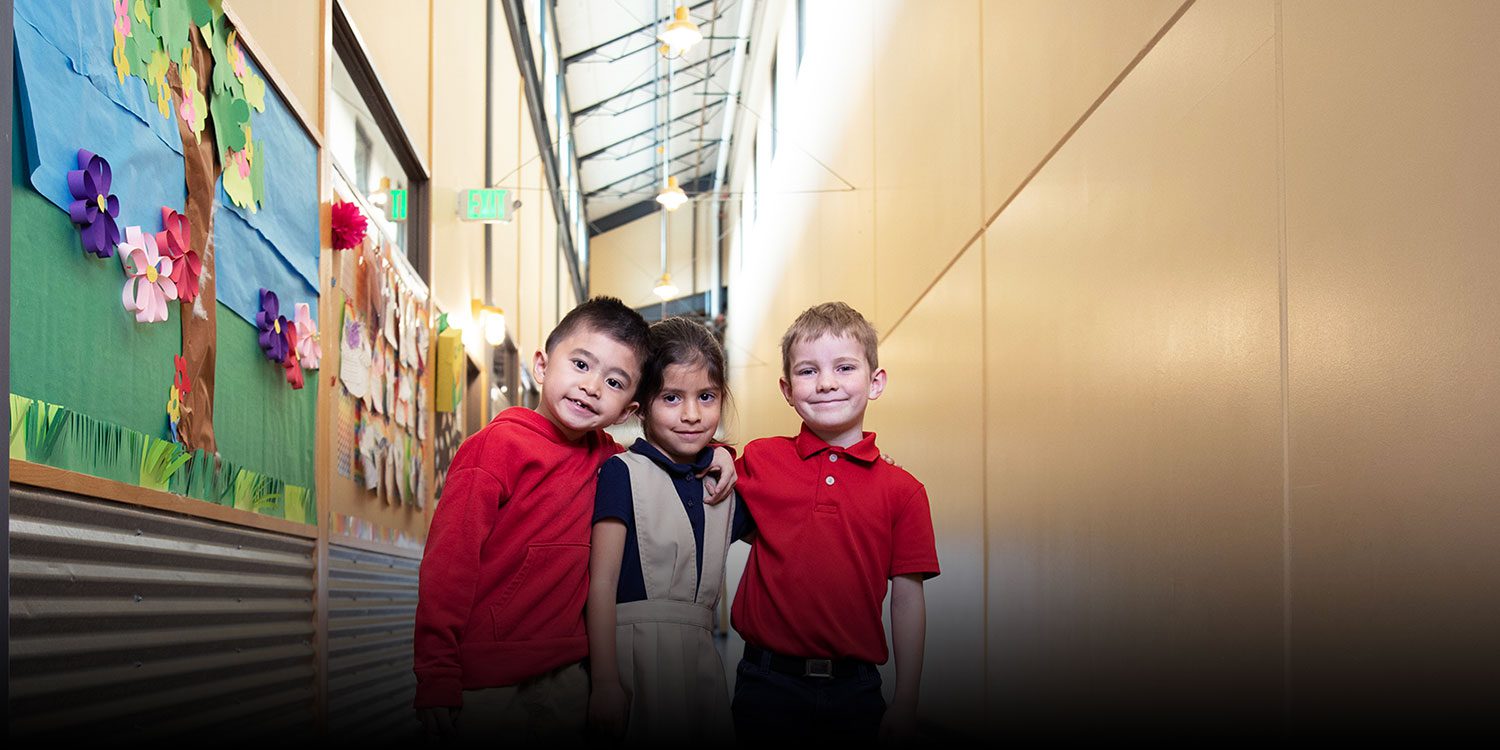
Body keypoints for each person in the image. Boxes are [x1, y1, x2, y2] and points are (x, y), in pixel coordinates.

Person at [412, 297, 737, 742]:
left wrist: (720, 451)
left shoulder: (609, 459)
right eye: (581, 364)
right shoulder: (495, 448)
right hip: (488, 677)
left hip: (570, 674)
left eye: (614, 381)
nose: (591, 387)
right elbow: (447, 569)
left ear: (627, 411)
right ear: (542, 364)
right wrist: (436, 674)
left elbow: (668, 459)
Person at [730, 302, 940, 744]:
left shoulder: (904, 490)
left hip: (856, 690)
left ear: (875, 381)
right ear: (787, 389)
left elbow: (907, 601)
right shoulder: (761, 459)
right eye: (808, 371)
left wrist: (907, 700)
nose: (826, 383)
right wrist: (715, 451)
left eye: (844, 367)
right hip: (767, 683)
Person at [586, 317, 754, 745]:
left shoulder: (723, 483)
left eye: (707, 396)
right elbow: (601, 584)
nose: (692, 414)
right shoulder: (621, 473)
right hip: (630, 656)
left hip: (700, 662)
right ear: (642, 404)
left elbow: (792, 530)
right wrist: (605, 681)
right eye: (672, 397)